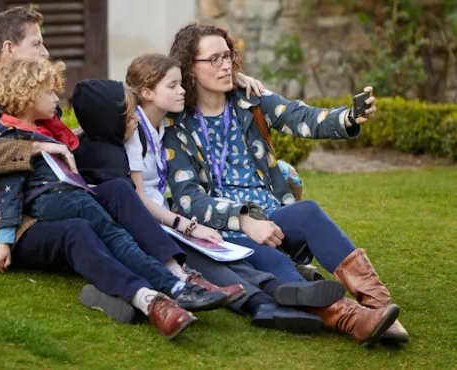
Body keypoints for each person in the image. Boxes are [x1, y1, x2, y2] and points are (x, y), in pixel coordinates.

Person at [0, 6, 204, 340]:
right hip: (2, 223)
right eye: (36, 44)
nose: (45, 52)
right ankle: (149, 300)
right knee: (77, 229)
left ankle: (177, 274)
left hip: (44, 200)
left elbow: (57, 149)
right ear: (8, 49)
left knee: (118, 190)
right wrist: (39, 147)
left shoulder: (30, 92)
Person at [163, 22, 408, 347]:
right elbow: (188, 200)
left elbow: (299, 116)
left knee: (307, 212)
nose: (226, 65)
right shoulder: (176, 127)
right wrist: (243, 219)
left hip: (275, 216)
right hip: (226, 235)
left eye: (228, 56)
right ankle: (354, 320)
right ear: (189, 69)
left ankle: (378, 304)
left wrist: (348, 118)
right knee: (279, 266)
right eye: (214, 59)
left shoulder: (248, 100)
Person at [72, 73, 347, 333]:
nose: (181, 90)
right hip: (141, 231)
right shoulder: (116, 149)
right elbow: (135, 202)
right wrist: (185, 226)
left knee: (218, 252)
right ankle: (263, 301)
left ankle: (277, 289)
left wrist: (239, 78)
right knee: (203, 258)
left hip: (154, 222)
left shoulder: (136, 128)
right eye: (127, 115)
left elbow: (160, 83)